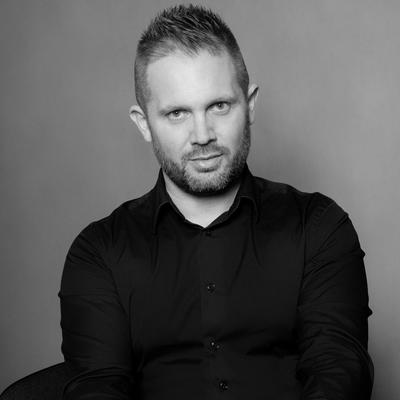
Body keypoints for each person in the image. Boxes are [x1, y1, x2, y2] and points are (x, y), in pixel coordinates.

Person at [59, 4, 373, 399]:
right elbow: (96, 388)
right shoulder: (99, 252)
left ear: (250, 104)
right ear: (144, 124)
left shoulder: (319, 227)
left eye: (219, 106)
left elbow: (338, 369)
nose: (202, 134)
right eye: (177, 113)